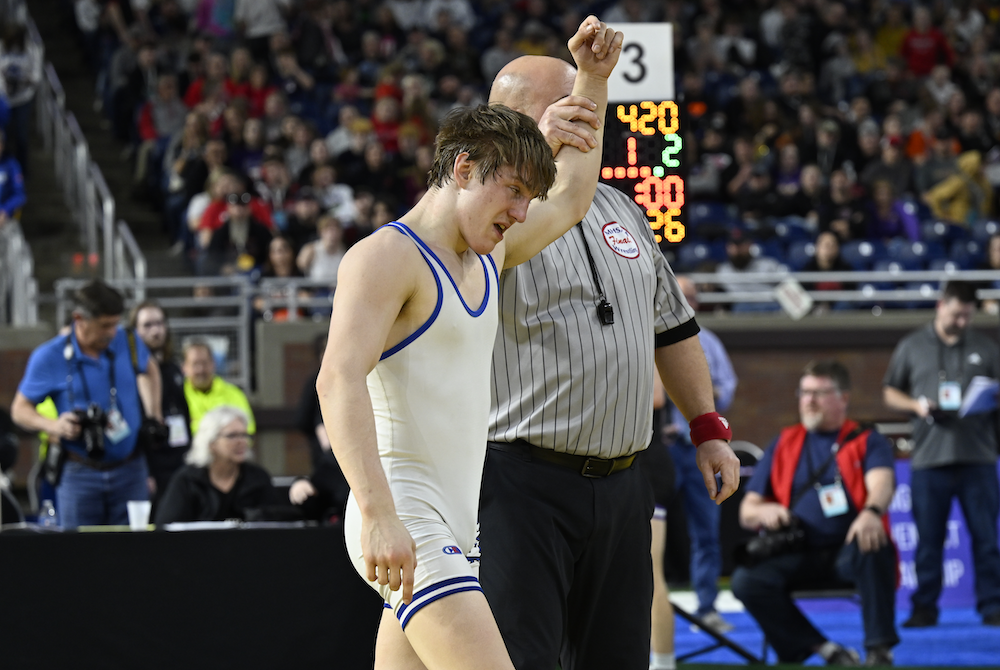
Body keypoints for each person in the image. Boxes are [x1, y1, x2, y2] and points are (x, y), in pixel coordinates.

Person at [316, 16, 624, 670]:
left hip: (455, 525)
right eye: (513, 192)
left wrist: (593, 81)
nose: (519, 213)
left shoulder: (485, 254)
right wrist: (376, 514)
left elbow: (570, 199)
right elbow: (336, 380)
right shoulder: (385, 258)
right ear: (464, 168)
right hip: (406, 514)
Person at [478, 56, 740, 670]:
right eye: (572, 101)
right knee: (523, 658)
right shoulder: (480, 213)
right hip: (518, 482)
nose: (591, 112)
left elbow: (672, 328)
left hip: (624, 481)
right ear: (517, 119)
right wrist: (528, 165)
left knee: (619, 659)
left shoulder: (623, 208)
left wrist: (707, 429)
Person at [732, 360, 899, 667]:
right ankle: (823, 649)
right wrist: (765, 510)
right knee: (746, 581)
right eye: (804, 392)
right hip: (799, 550)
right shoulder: (784, 441)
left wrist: (872, 512)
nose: (808, 401)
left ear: (843, 398)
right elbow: (747, 511)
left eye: (818, 393)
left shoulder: (867, 439)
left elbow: (882, 485)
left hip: (850, 549)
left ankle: (879, 650)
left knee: (874, 545)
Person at [882, 280, 1000, 628]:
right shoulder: (912, 345)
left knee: (986, 538)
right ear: (941, 305)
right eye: (956, 314)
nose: (961, 322)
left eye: (967, 316)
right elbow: (890, 392)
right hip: (929, 459)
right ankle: (924, 607)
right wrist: (917, 406)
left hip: (977, 455)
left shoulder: (986, 346)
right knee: (929, 540)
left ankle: (992, 604)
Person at [10, 279, 162, 528]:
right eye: (104, 326)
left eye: (115, 324)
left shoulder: (128, 340)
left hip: (131, 468)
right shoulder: (50, 357)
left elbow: (151, 368)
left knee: (133, 553)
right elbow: (19, 409)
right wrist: (53, 425)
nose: (112, 333)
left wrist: (154, 413)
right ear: (79, 318)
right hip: (79, 472)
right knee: (78, 555)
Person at [662, 276, 739, 635]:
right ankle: (646, 610)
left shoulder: (707, 342)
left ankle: (706, 608)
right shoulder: (642, 334)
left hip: (698, 447)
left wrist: (697, 399)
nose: (686, 300)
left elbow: (727, 387)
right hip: (656, 448)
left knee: (706, 531)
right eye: (682, 294)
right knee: (638, 533)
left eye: (692, 296)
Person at [153, 405, 276, 524]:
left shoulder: (258, 478)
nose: (241, 441)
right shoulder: (187, 480)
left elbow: (277, 523)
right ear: (211, 442)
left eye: (244, 435)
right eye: (232, 435)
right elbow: (167, 526)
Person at [129, 300, 191, 504]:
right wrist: (144, 472)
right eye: (147, 325)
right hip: (149, 466)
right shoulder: (130, 372)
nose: (156, 331)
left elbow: (183, 414)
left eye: (160, 323)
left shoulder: (173, 368)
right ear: (135, 331)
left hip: (178, 460)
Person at [181, 340, 255, 436]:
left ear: (213, 364)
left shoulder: (233, 394)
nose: (200, 369)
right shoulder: (177, 397)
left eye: (204, 363)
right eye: (195, 364)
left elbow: (248, 429)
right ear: (184, 367)